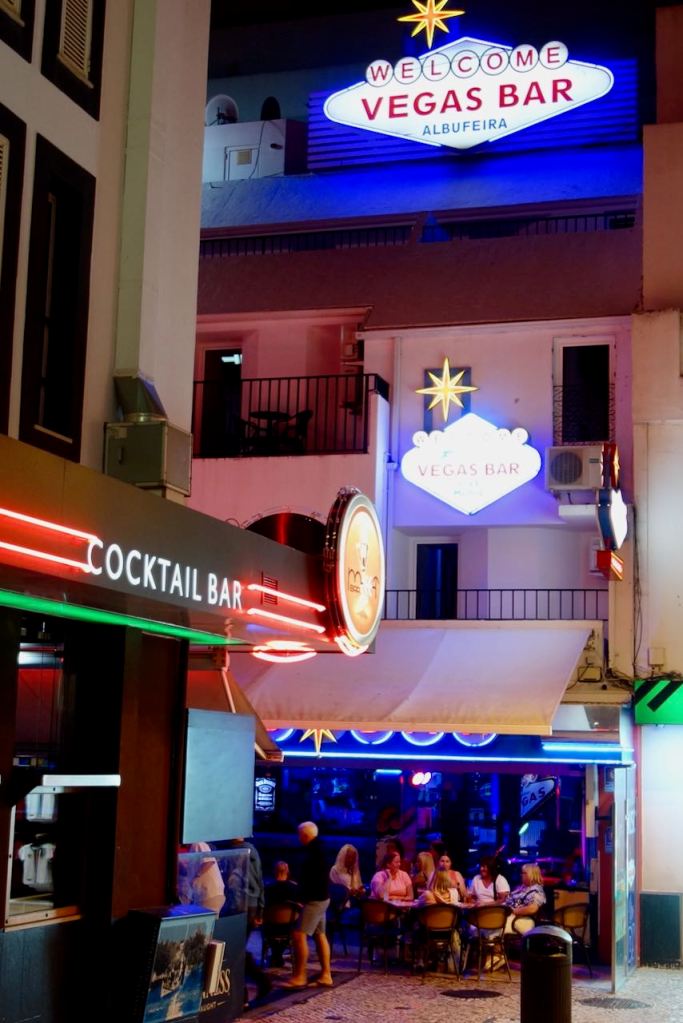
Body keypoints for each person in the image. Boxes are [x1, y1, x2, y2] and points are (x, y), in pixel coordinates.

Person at [283, 821, 333, 989]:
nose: (298, 838)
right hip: (323, 897)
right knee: (320, 935)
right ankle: (326, 974)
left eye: (299, 835)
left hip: (315, 899)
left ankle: (300, 976)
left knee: (299, 934)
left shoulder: (313, 852)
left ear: (304, 835)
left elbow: (309, 878)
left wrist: (301, 897)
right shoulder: (322, 848)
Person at [223, 837, 272, 1003]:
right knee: (238, 948)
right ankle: (255, 985)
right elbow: (259, 882)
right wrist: (260, 908)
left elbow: (239, 884)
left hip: (240, 906)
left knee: (235, 949)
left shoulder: (240, 852)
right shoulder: (251, 851)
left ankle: (247, 991)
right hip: (248, 905)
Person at [178, 841, 226, 914]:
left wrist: (196, 876)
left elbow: (209, 861)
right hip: (203, 896)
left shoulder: (198, 844)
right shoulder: (192, 849)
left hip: (210, 894)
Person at [504, 862, 546, 934]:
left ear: (531, 874)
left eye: (524, 873)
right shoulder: (523, 887)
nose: (521, 875)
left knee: (493, 924)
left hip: (520, 919)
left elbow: (532, 908)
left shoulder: (536, 890)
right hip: (509, 915)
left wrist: (514, 911)